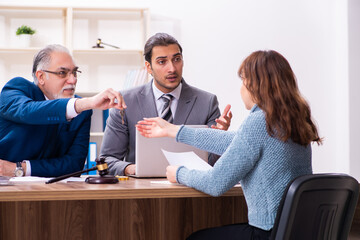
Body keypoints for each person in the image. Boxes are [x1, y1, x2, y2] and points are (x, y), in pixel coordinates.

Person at [136, 50, 322, 239]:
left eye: (243, 81)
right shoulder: (291, 119)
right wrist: (172, 130)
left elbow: (214, 183)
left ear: (253, 84)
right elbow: (233, 141)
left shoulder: (260, 121)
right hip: (297, 230)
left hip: (267, 232)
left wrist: (179, 173)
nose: (241, 89)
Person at [100, 32, 232, 176]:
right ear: (148, 67)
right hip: (141, 191)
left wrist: (219, 139)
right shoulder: (126, 102)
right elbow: (107, 160)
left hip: (191, 191)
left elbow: (214, 165)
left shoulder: (206, 102)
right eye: (162, 62)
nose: (172, 69)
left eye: (177, 59)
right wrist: (132, 168)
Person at [0, 44, 126, 177]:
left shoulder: (82, 110)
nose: (73, 80)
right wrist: (87, 103)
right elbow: (28, 112)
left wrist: (20, 168)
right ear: (41, 77)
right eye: (62, 73)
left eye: (74, 72)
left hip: (54, 190)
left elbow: (74, 165)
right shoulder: (16, 89)